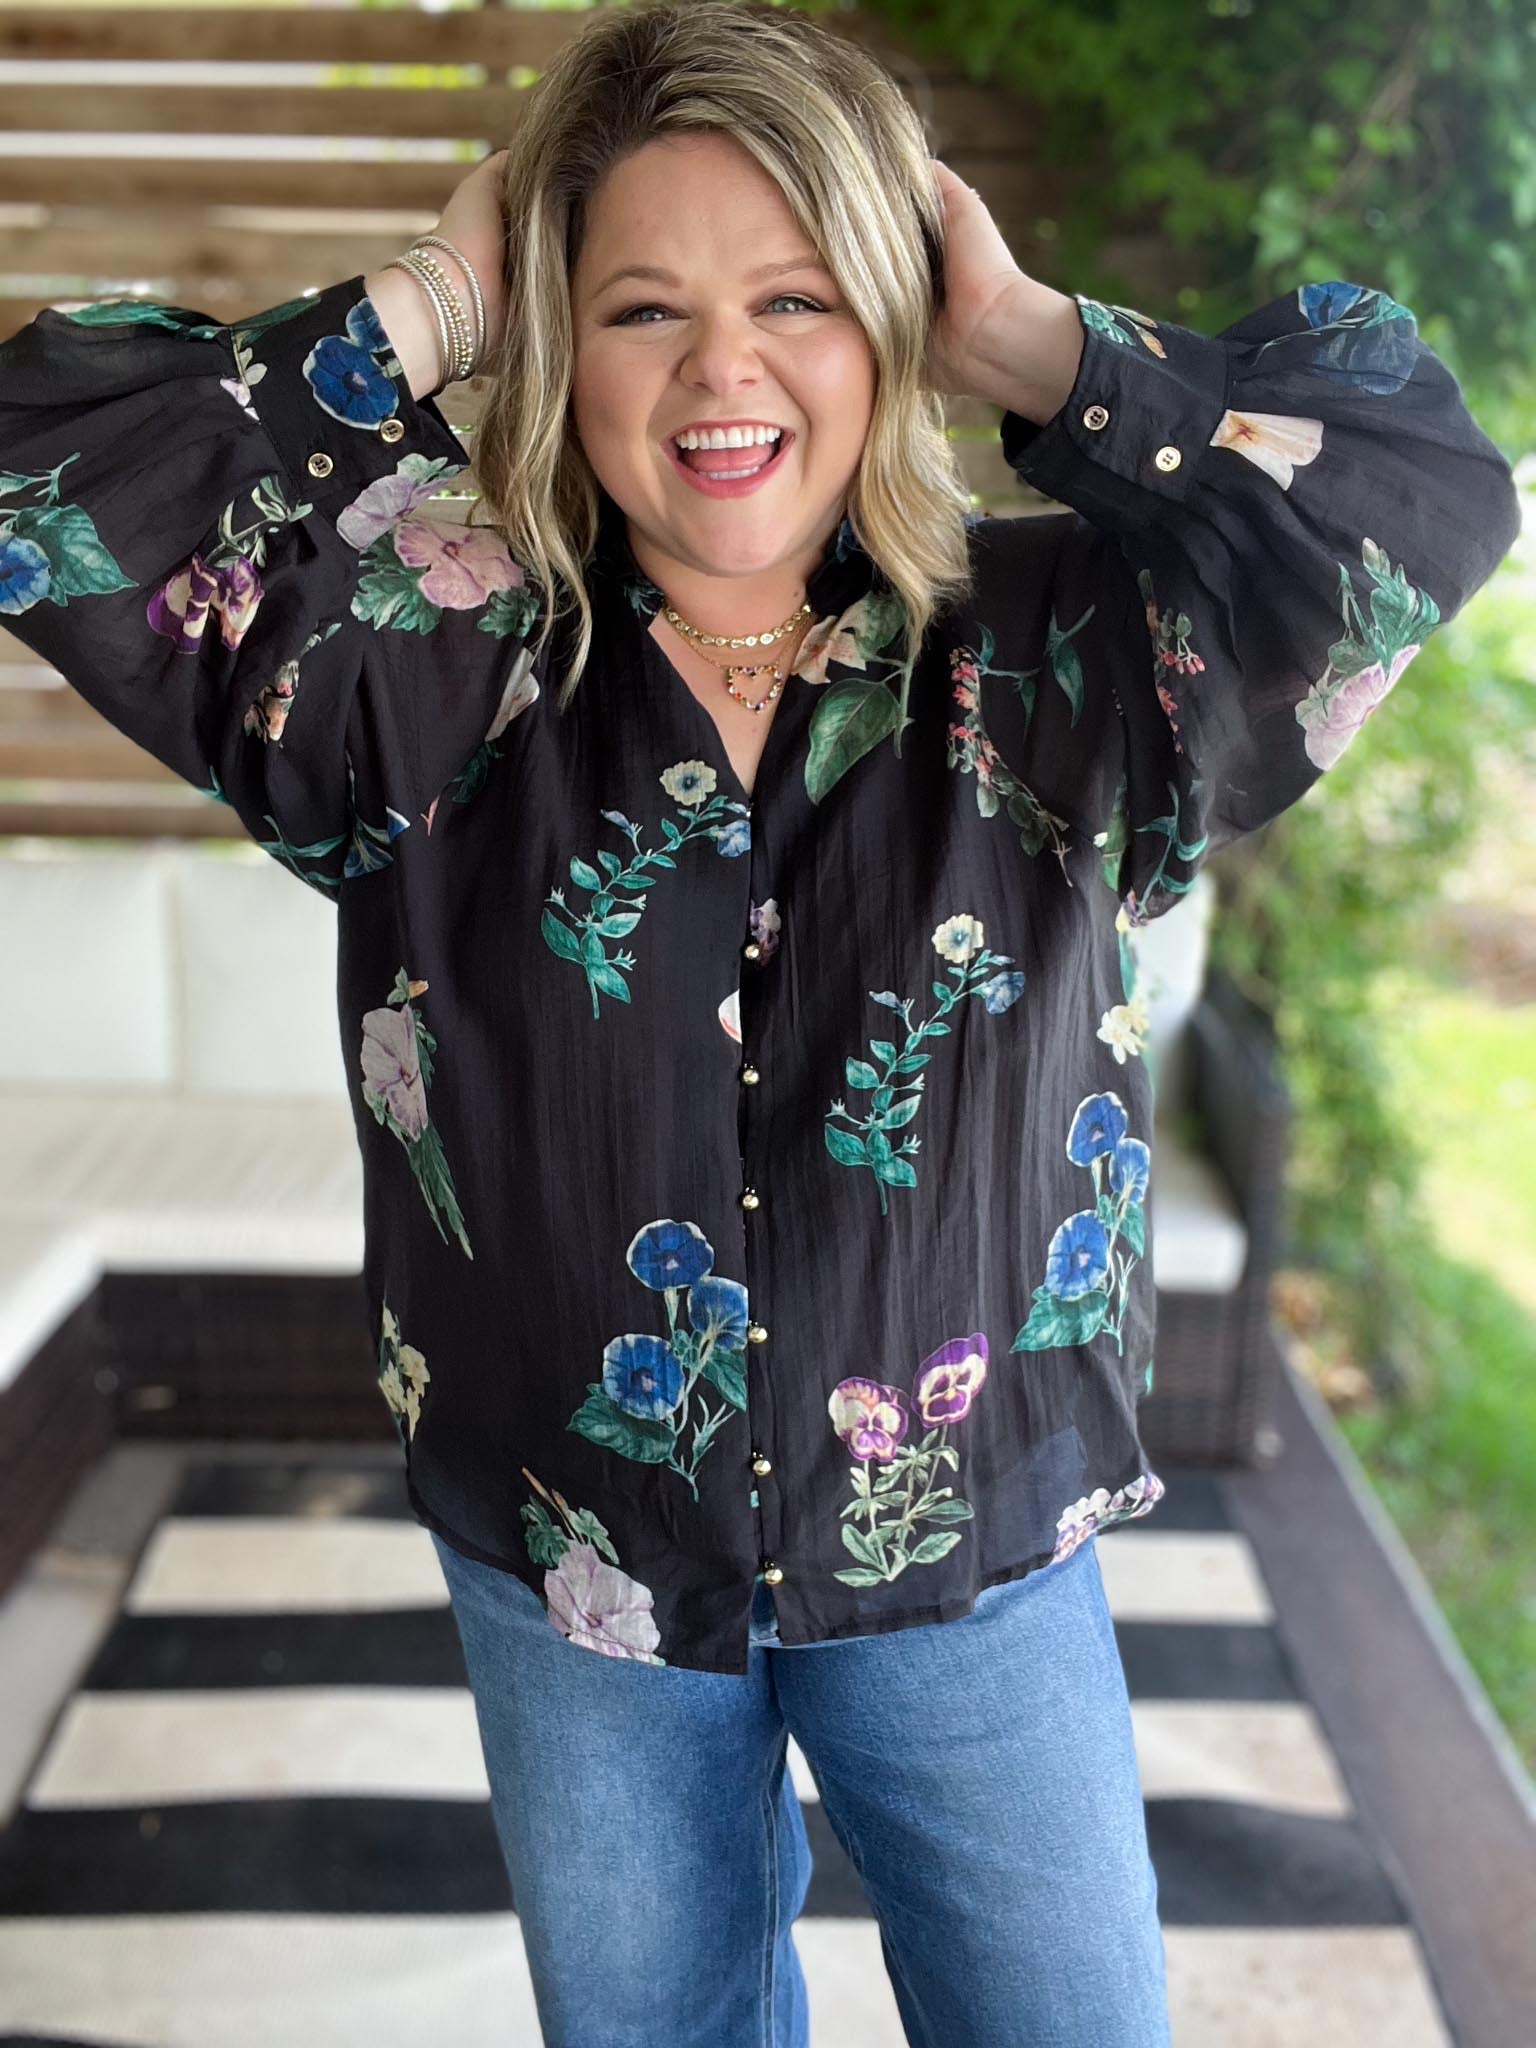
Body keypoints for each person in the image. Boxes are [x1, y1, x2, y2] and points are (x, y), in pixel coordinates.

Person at [0, 3, 1521, 2042]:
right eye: (641, 307)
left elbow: (1423, 491)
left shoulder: (1081, 663)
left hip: (976, 1569)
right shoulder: (413, 670)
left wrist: (1036, 346)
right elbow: (37, 469)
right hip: (583, 1585)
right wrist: (437, 302)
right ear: (564, 347)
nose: (722, 366)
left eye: (797, 296)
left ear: (894, 319)